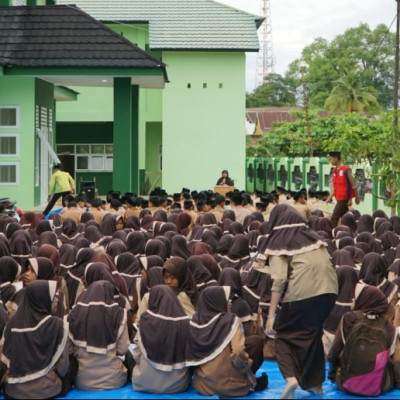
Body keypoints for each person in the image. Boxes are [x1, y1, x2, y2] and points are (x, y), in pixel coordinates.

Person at [264, 204, 338, 399]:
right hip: (329, 293)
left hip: (302, 295)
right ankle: (316, 385)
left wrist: (271, 316)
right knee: (313, 334)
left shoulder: (279, 242)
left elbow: (278, 279)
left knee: (282, 334)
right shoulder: (313, 238)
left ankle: (291, 379)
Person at [188, 286, 267, 397]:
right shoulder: (229, 321)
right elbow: (238, 351)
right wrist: (245, 368)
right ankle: (249, 381)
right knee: (256, 342)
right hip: (231, 386)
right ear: (217, 302)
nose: (229, 304)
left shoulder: (194, 321)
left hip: (203, 386)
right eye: (226, 300)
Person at [1, 281, 70, 399]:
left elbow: (5, 360)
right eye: (53, 296)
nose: (57, 300)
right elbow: (63, 368)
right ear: (42, 298)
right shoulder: (57, 325)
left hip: (14, 392)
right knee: (73, 365)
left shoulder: (12, 324)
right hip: (46, 390)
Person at [132, 285, 192, 394]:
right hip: (178, 385)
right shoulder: (186, 323)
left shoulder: (145, 320)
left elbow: (136, 354)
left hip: (144, 382)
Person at [326, 152, 360, 228]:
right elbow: (335, 186)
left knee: (334, 218)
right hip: (338, 197)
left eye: (331, 159)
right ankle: (352, 229)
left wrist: (357, 197)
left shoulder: (346, 170)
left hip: (344, 198)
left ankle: (331, 234)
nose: (330, 161)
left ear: (336, 159)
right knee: (345, 217)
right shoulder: (334, 170)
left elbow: (353, 184)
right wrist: (330, 197)